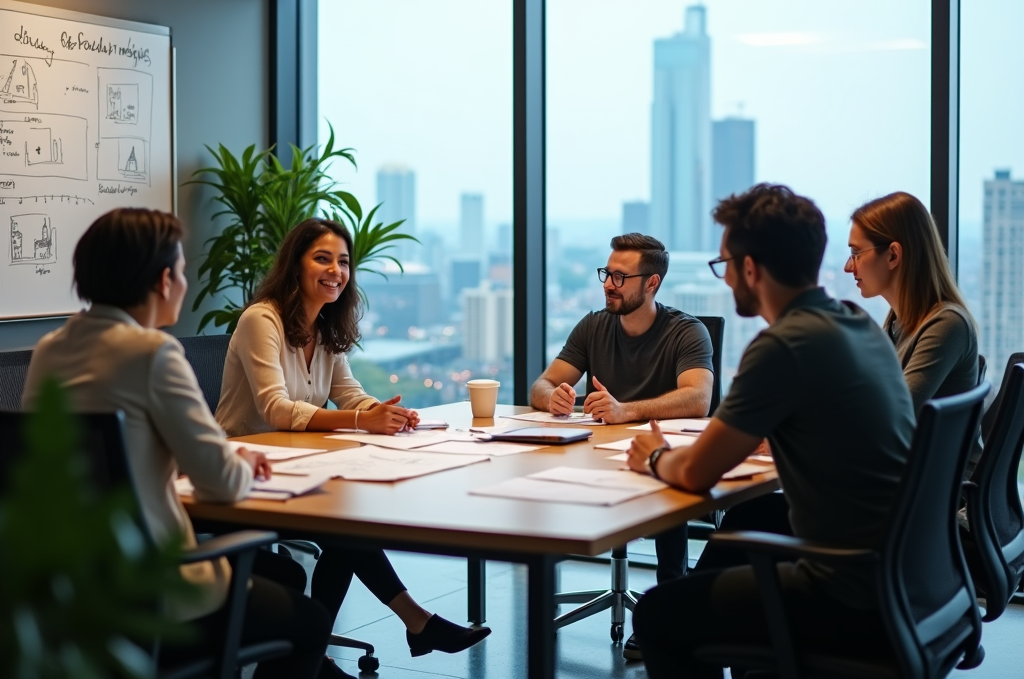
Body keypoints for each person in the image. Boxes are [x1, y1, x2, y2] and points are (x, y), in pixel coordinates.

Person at [21, 208, 332, 679]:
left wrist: (222, 454)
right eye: (183, 271)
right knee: (310, 622)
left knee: (280, 576)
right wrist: (239, 463)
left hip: (71, 587)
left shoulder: (50, 349)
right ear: (165, 280)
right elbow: (223, 484)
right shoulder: (154, 353)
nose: (184, 283)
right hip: (154, 590)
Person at [626, 184, 917, 679]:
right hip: (907, 577)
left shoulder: (782, 345)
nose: (725, 280)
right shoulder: (856, 322)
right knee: (745, 523)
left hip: (846, 591)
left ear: (751, 269)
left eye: (725, 266)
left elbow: (696, 474)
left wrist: (654, 454)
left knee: (656, 614)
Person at [215, 217, 490, 675]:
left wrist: (389, 413)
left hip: (296, 469)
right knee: (346, 528)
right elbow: (277, 410)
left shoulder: (322, 326)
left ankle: (312, 655)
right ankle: (402, 626)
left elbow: (349, 392)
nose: (335, 270)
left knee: (349, 526)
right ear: (295, 265)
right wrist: (365, 419)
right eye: (322, 258)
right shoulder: (260, 320)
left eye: (343, 262)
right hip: (246, 476)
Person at [530, 232, 714, 660]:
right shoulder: (594, 325)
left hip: (656, 457)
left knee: (666, 492)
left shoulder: (687, 332)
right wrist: (554, 396)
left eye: (620, 276)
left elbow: (698, 398)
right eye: (607, 274)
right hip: (597, 453)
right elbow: (541, 383)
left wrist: (626, 410)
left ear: (652, 284)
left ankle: (665, 615)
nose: (609, 284)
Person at [845, 191, 979, 414]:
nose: (849, 267)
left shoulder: (947, 325)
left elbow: (890, 416)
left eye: (856, 253)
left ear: (893, 256)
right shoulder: (896, 326)